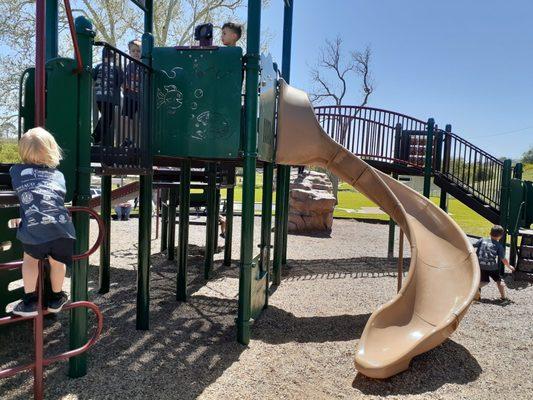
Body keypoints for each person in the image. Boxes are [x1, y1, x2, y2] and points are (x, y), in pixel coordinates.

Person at [9, 128, 76, 317]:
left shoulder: (16, 170)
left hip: (35, 229)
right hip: (62, 229)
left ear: (23, 152)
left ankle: (30, 300)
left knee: (30, 260)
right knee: (57, 262)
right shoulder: (58, 175)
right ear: (52, 150)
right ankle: (56, 297)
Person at [474, 225, 515, 301]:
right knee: (499, 281)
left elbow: (472, 246)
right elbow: (503, 259)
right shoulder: (499, 246)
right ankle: (503, 298)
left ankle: (476, 289)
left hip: (480, 265)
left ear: (490, 233)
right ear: (501, 236)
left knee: (484, 281)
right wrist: (509, 266)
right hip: (492, 267)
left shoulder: (482, 240)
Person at [92, 46, 122, 144]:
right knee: (107, 119)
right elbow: (119, 82)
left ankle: (96, 138)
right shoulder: (116, 68)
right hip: (109, 97)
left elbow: (94, 77)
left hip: (99, 97)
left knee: (105, 117)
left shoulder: (98, 66)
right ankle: (95, 137)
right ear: (114, 57)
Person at [122, 39, 142, 142]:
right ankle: (127, 139)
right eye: (133, 51)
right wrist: (124, 89)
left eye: (138, 51)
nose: (136, 53)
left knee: (142, 119)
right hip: (129, 95)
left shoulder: (144, 65)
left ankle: (143, 140)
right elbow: (124, 80)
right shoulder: (128, 66)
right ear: (129, 52)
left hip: (141, 96)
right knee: (126, 118)